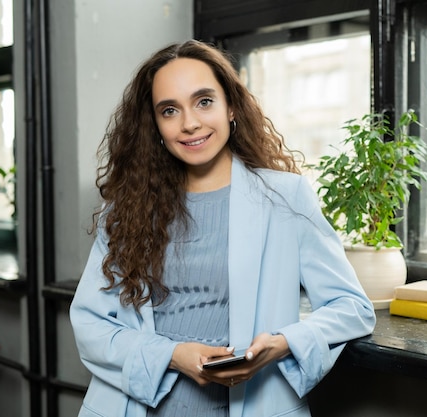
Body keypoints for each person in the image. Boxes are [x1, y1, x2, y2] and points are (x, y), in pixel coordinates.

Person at [69, 39, 376, 417]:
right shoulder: (126, 211)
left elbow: (352, 308)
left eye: (204, 101)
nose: (190, 123)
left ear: (231, 106)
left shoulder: (285, 197)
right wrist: (173, 356)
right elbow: (89, 324)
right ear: (155, 126)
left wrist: (281, 344)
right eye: (169, 110)